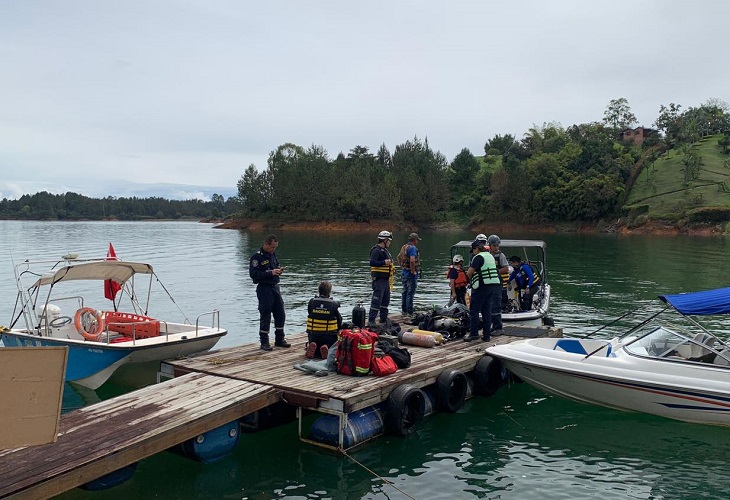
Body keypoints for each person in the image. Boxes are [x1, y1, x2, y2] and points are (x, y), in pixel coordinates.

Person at [249, 234, 290, 351]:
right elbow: (254, 275)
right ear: (266, 244)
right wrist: (270, 273)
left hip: (275, 287)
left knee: (280, 313)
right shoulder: (257, 257)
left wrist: (278, 270)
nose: (273, 250)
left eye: (275, 247)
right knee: (266, 314)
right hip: (264, 288)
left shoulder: (272, 254)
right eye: (272, 247)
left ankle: (280, 339)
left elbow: (275, 265)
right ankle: (264, 342)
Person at [464, 240, 501, 342]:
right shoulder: (490, 256)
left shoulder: (478, 257)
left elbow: (470, 272)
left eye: (473, 250)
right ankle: (486, 336)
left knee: (474, 310)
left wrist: (467, 281)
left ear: (476, 248)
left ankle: (474, 334)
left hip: (481, 285)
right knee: (486, 311)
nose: (473, 253)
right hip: (492, 286)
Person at [305, 280, 342, 359]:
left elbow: (310, 314)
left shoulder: (311, 302)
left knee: (314, 342)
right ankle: (327, 347)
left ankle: (313, 345)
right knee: (331, 344)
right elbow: (339, 320)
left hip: (313, 335)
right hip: (328, 336)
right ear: (329, 292)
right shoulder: (333, 304)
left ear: (319, 291)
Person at [368, 230, 395, 325]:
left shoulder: (385, 251)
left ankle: (383, 319)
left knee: (385, 300)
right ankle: (371, 320)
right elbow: (372, 262)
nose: (390, 243)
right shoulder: (376, 250)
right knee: (376, 300)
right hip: (379, 280)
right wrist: (384, 262)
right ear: (385, 240)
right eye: (389, 241)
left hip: (385, 279)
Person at [487, 234, 509, 336]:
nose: (496, 247)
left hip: (498, 284)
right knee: (490, 306)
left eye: (497, 245)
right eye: (494, 245)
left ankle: (498, 327)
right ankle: (493, 326)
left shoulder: (501, 255)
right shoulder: (487, 255)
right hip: (489, 284)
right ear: (490, 245)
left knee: (496, 305)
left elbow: (506, 268)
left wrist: (495, 272)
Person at [400, 233, 421, 315]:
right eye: (417, 240)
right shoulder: (412, 248)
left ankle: (404, 310)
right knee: (410, 293)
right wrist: (413, 271)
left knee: (404, 291)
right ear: (415, 240)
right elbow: (412, 260)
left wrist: (402, 266)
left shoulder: (404, 247)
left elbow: (398, 257)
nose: (417, 242)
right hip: (410, 274)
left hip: (404, 272)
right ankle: (410, 312)